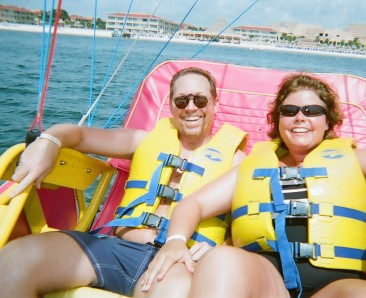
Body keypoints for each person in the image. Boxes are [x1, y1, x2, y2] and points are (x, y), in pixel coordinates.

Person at [141, 73, 366, 298]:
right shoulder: (253, 166)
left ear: (328, 122)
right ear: (278, 120)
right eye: (290, 111)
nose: (300, 117)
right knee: (220, 258)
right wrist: (176, 240)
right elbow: (193, 203)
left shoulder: (355, 159)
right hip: (266, 283)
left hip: (335, 288)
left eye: (312, 111)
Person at [0, 67, 247, 298]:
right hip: (116, 249)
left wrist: (223, 248)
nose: (191, 108)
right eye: (181, 101)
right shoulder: (141, 141)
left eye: (200, 100)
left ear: (215, 103)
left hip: (178, 265)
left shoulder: (237, 162)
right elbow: (80, 135)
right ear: (171, 107)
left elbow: (248, 221)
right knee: (14, 260)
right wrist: (49, 141)